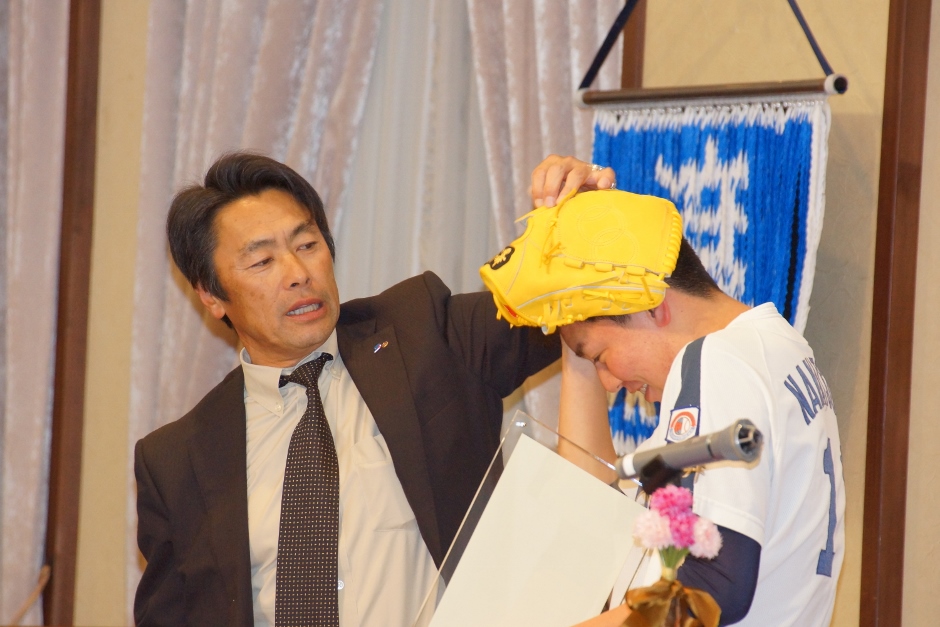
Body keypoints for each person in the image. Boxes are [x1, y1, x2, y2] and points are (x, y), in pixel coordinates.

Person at [133, 152, 614, 627]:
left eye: (307, 244)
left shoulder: (424, 333)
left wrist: (590, 220)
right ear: (211, 294)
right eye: (261, 261)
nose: (298, 273)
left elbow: (578, 304)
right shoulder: (176, 462)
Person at [522, 157, 845, 626]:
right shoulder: (776, 349)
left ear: (650, 304)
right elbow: (591, 513)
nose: (610, 384)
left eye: (601, 357)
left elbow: (710, 587)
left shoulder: (719, 361)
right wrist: (571, 291)